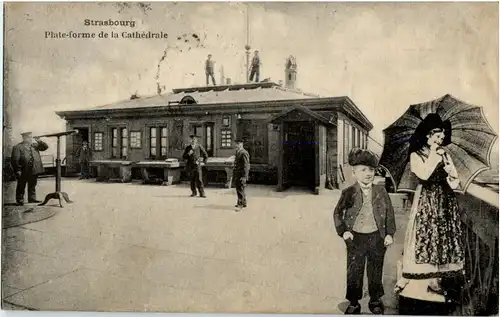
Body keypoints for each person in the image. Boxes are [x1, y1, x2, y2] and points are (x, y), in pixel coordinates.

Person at [394, 113, 464, 296]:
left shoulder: (445, 154)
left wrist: (451, 171)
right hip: (426, 199)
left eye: (442, 137)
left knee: (441, 238)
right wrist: (434, 155)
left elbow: (455, 183)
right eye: (437, 136)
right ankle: (412, 276)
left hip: (444, 200)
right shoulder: (416, 155)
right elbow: (423, 175)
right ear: (428, 135)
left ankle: (436, 280)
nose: (440, 140)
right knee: (424, 236)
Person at [333, 148, 396, 315]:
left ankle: (375, 300)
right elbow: (338, 213)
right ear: (354, 172)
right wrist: (344, 231)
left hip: (377, 236)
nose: (368, 173)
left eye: (371, 170)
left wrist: (389, 233)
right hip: (356, 237)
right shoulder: (349, 192)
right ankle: (354, 302)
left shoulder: (381, 191)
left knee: (376, 269)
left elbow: (389, 212)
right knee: (355, 270)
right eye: (363, 170)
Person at [11, 132, 49, 206]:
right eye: (28, 137)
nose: (30, 139)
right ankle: (20, 199)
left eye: (31, 137)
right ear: (24, 138)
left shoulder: (35, 145)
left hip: (34, 169)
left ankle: (32, 198)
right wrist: (18, 170)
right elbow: (14, 160)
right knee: (21, 184)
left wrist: (39, 141)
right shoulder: (18, 147)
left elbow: (45, 147)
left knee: (32, 184)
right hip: (23, 169)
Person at [233, 138, 250, 210]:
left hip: (241, 174)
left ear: (241, 144)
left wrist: (244, 176)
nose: (237, 145)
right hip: (238, 174)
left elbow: (246, 166)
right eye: (236, 144)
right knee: (239, 188)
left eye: (238, 144)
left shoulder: (244, 152)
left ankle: (240, 205)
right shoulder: (238, 152)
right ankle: (243, 203)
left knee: (240, 189)